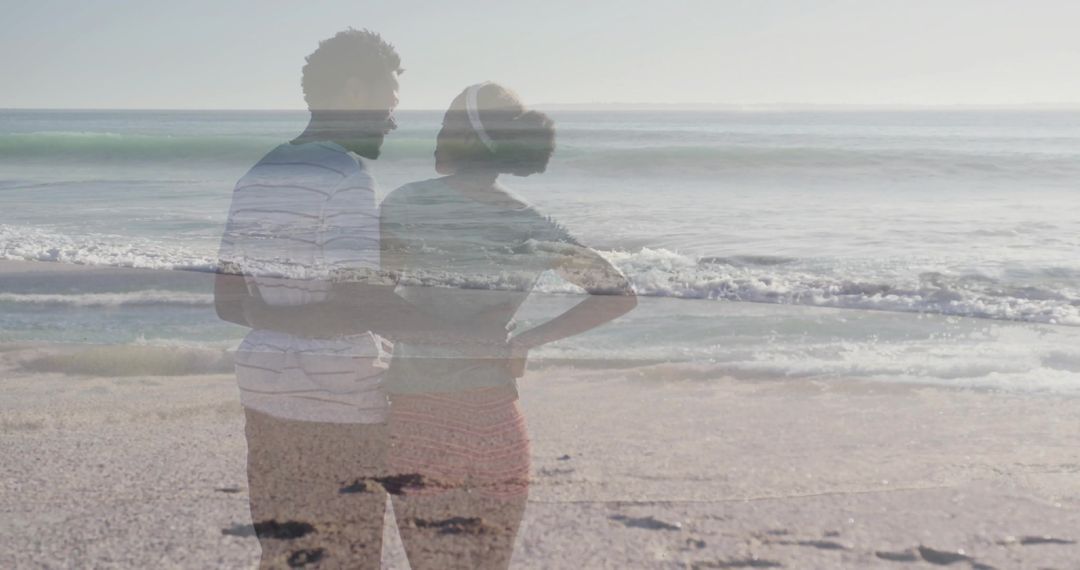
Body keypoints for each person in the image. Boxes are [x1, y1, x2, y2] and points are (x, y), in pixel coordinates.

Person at [376, 82, 637, 569]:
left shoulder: (406, 203)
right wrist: (528, 340)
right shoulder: (528, 220)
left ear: (465, 137)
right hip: (497, 419)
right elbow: (619, 293)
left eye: (444, 125)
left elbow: (371, 301)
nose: (434, 136)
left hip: (419, 415)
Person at [214, 28, 402, 569]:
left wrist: (269, 315)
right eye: (388, 103)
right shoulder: (345, 177)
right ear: (351, 92)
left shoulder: (258, 174)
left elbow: (226, 300)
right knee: (348, 556)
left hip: (265, 388)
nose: (393, 119)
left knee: (285, 553)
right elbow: (352, 306)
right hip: (339, 400)